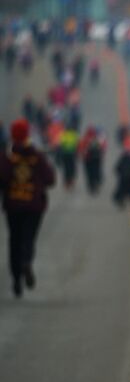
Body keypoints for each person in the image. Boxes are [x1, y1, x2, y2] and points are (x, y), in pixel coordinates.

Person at [0, 119, 55, 297]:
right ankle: (27, 261)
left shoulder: (7, 156)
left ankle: (16, 280)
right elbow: (50, 179)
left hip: (13, 205)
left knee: (14, 241)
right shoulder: (37, 156)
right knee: (29, 238)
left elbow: (3, 178)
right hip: (34, 206)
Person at [79, 125, 106, 196]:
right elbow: (103, 147)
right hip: (97, 159)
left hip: (87, 160)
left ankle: (91, 187)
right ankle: (97, 182)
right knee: (97, 171)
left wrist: (82, 155)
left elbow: (80, 148)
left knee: (89, 174)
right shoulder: (97, 139)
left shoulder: (85, 139)